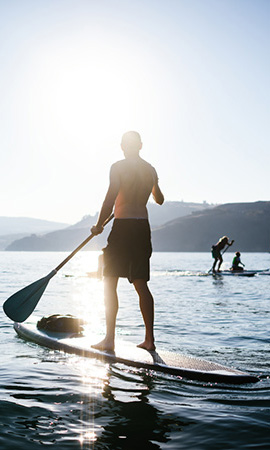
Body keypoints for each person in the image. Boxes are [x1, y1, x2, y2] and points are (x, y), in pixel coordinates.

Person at [90, 131, 164, 352]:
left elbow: (111, 196)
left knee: (109, 281)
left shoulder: (118, 167)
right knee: (141, 284)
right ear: (140, 145)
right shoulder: (150, 169)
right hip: (142, 227)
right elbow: (159, 199)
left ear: (122, 146)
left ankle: (109, 340)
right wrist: (155, 181)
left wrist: (99, 224)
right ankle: (149, 340)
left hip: (123, 228)